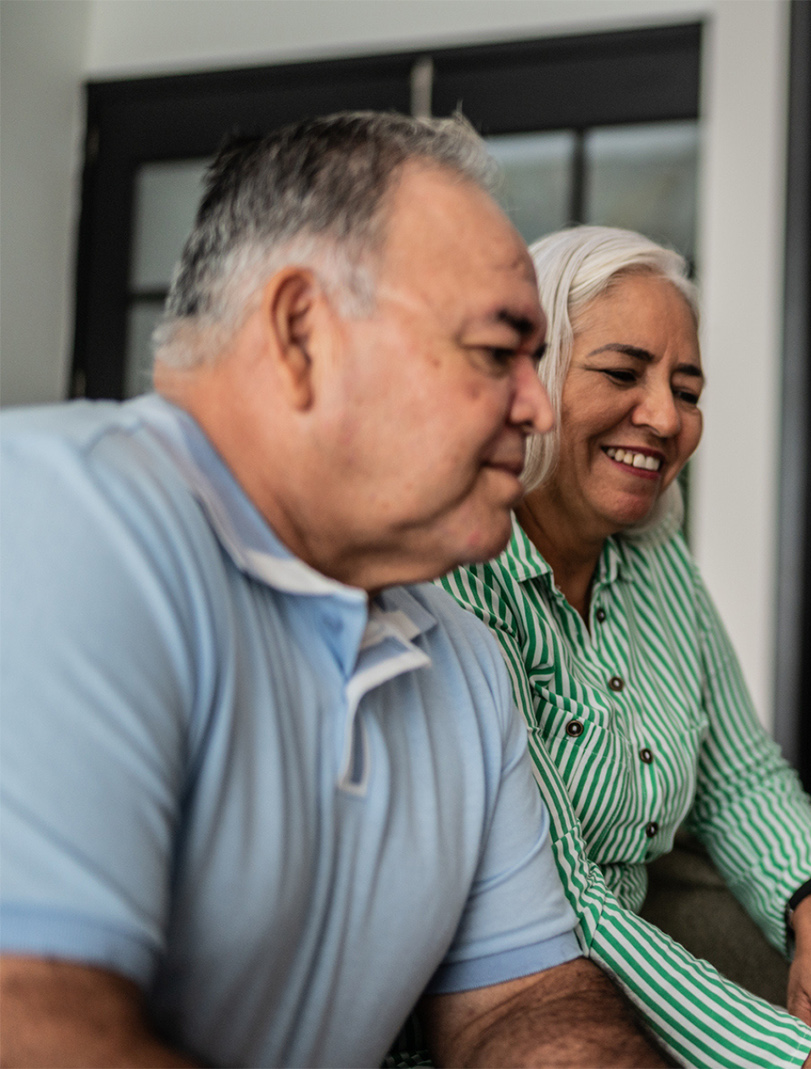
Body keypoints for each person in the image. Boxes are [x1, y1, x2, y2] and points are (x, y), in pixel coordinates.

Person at [0, 113, 662, 1067]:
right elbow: (35, 1028)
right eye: (496, 352)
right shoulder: (62, 523)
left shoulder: (464, 661)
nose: (540, 405)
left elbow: (520, 1001)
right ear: (302, 332)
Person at [437, 226, 811, 1069]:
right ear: (530, 375)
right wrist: (795, 1059)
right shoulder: (458, 577)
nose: (665, 417)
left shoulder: (654, 556)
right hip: (509, 1020)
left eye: (688, 386)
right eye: (621, 372)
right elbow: (564, 905)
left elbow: (739, 770)